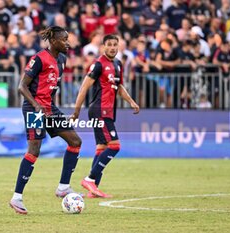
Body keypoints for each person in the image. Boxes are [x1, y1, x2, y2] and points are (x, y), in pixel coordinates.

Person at [9, 26, 82, 214]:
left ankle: (63, 187)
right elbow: (21, 86)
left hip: (49, 108)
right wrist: (35, 105)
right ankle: (17, 198)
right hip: (34, 109)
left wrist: (51, 109)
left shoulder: (62, 60)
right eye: (64, 39)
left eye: (68, 39)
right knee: (34, 149)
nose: (68, 42)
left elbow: (50, 87)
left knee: (75, 141)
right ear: (54, 41)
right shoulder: (39, 59)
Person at [72, 34, 139, 198]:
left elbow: (119, 86)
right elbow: (84, 87)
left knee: (101, 148)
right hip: (99, 110)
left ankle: (93, 189)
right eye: (109, 44)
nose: (113, 48)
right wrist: (76, 111)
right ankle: (90, 179)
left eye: (115, 45)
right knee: (115, 146)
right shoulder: (98, 64)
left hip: (109, 111)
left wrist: (131, 101)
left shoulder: (117, 64)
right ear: (103, 47)